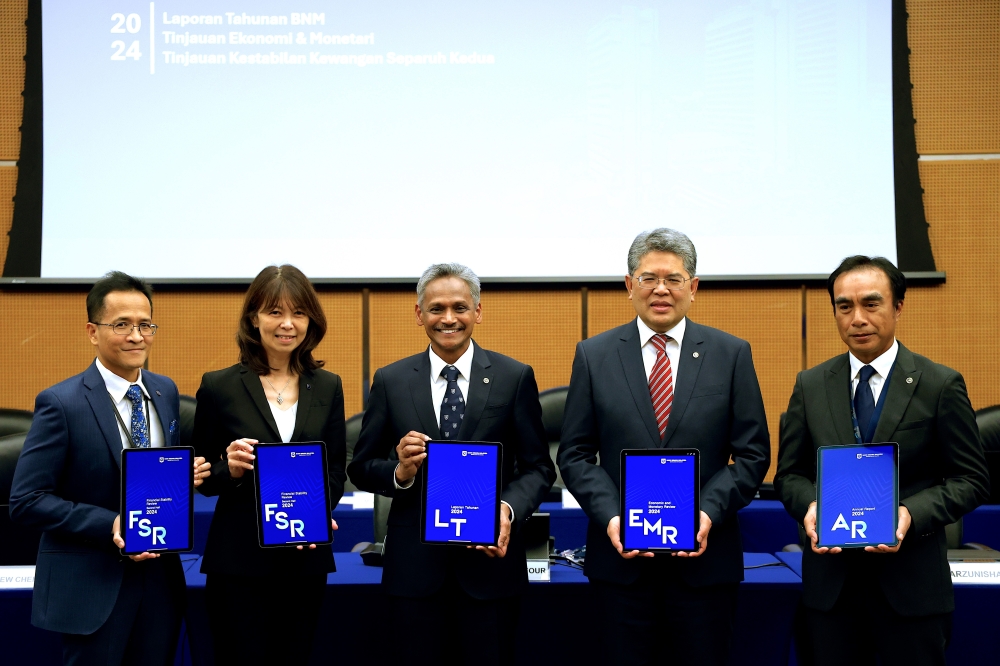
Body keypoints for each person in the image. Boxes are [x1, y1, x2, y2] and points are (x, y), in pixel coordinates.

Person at [558, 228, 771, 666]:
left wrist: (706, 511)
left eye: (673, 279)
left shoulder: (731, 354)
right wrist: (613, 515)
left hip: (704, 567)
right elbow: (575, 455)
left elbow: (752, 454)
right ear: (628, 284)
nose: (660, 289)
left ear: (693, 287)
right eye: (648, 277)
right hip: (622, 568)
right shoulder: (593, 355)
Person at [774, 256, 989, 666]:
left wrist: (909, 512)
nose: (857, 318)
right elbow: (789, 476)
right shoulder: (811, 385)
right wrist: (811, 505)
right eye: (844, 306)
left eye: (871, 304)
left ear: (898, 307)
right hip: (832, 593)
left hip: (911, 591)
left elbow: (972, 479)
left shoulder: (939, 384)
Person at [348, 262, 556, 666]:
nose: (448, 318)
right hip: (414, 573)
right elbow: (361, 466)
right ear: (419, 314)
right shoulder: (391, 381)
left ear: (477, 311)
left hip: (490, 570)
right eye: (436, 308)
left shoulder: (514, 377)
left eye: (460, 307)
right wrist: (400, 472)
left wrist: (507, 509)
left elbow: (538, 468)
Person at [9, 271, 211, 666]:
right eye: (122, 325)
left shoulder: (164, 390)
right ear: (92, 331)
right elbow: (26, 500)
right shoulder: (61, 403)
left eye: (145, 325)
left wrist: (181, 481)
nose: (137, 336)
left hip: (159, 586)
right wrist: (111, 524)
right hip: (93, 585)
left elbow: (149, 474)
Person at [192, 265, 346, 666]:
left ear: (311, 319)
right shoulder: (218, 385)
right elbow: (203, 476)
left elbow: (333, 471)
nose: (288, 324)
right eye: (275, 312)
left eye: (299, 312)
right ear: (253, 318)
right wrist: (233, 469)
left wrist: (317, 512)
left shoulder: (328, 385)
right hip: (239, 560)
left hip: (304, 557)